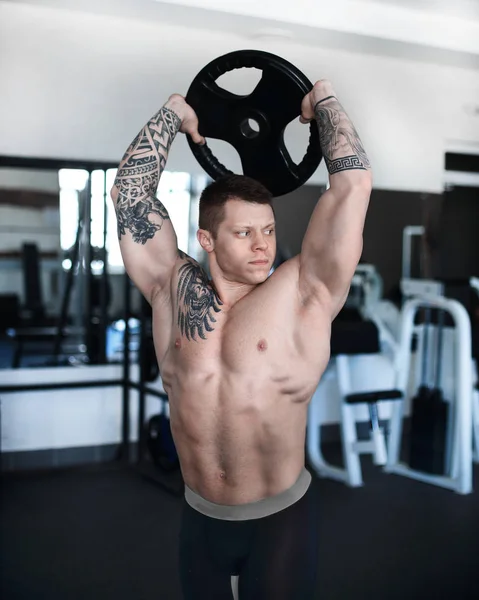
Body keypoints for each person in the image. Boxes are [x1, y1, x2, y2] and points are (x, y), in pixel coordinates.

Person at [111, 79, 372, 600]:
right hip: (199, 514)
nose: (263, 247)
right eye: (243, 233)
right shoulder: (171, 290)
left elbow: (352, 185)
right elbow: (129, 194)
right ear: (206, 238)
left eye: (269, 231)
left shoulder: (305, 290)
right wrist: (175, 112)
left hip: (279, 517)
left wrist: (321, 100)